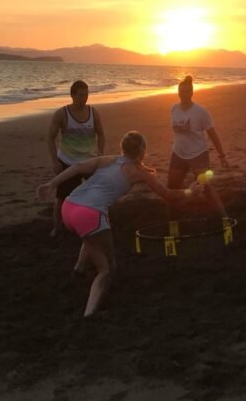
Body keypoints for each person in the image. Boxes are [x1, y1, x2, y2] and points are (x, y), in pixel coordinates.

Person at [37, 131, 196, 317]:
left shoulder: (110, 160)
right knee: (107, 269)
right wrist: (190, 191)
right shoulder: (139, 172)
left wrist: (51, 184)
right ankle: (89, 314)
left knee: (94, 233)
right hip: (88, 214)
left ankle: (79, 269)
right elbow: (168, 194)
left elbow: (79, 167)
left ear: (123, 148)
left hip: (69, 207)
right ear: (142, 150)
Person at [46, 80, 105, 238]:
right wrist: (54, 161)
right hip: (67, 161)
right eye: (80, 95)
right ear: (72, 95)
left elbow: (101, 135)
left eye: (86, 95)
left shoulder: (94, 113)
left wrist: (100, 154)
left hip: (89, 161)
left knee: (98, 193)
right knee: (62, 197)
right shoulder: (61, 114)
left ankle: (101, 222)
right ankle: (57, 227)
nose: (84, 98)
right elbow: (50, 138)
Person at [168, 75, 228, 214]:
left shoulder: (200, 112)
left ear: (192, 92)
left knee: (206, 188)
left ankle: (224, 221)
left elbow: (212, 134)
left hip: (198, 154)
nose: (183, 94)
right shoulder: (174, 109)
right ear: (178, 92)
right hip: (178, 153)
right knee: (172, 188)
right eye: (181, 91)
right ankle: (173, 225)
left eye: (187, 91)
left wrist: (222, 156)